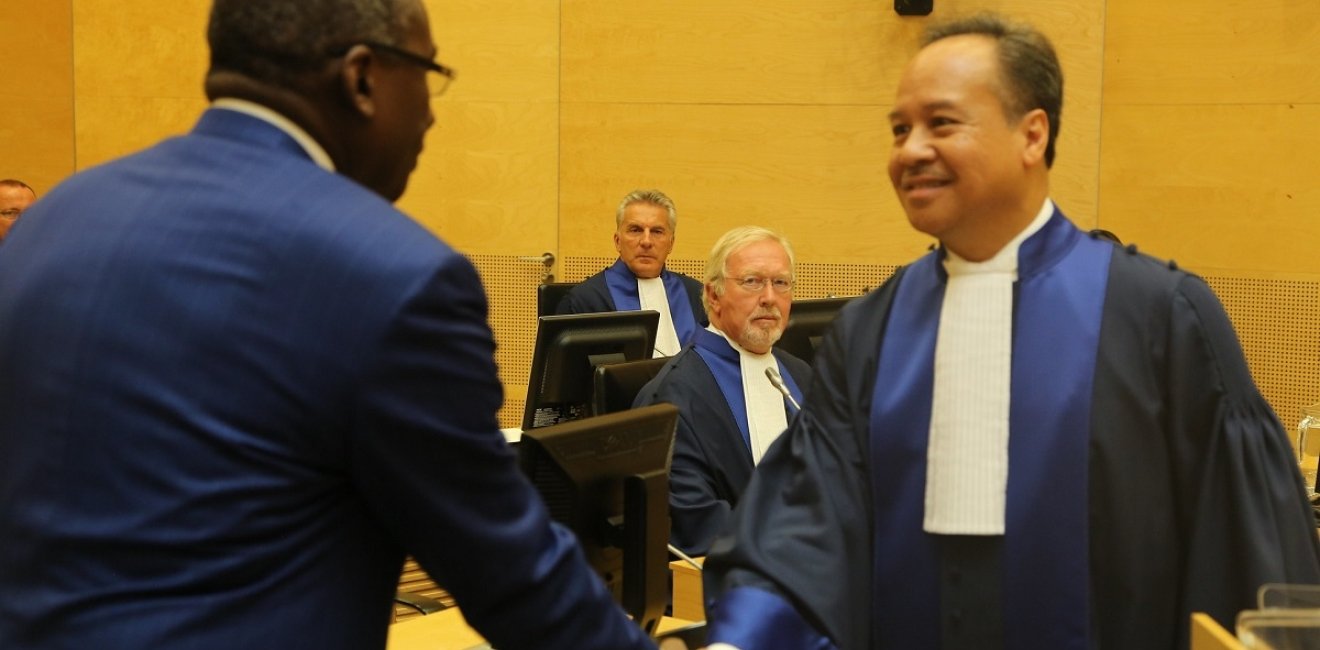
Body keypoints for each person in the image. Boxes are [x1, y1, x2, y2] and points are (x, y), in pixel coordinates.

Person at [0, 2, 653, 649]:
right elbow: (513, 577)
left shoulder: (53, 222)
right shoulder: (397, 276)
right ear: (362, 77)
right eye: (427, 74)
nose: (429, 111)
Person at [700, 13, 1320, 650]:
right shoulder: (868, 334)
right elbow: (802, 531)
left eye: (941, 123)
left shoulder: (1160, 317)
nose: (910, 150)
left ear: (1032, 134)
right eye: (899, 129)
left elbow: (1249, 570)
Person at [634, 226, 811, 557]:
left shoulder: (801, 376)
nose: (770, 298)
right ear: (713, 296)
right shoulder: (671, 397)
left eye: (781, 283)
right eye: (752, 282)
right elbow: (696, 523)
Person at [556, 189, 707, 357]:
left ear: (671, 243)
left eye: (657, 231)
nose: (646, 241)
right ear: (618, 241)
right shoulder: (585, 301)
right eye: (635, 230)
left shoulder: (696, 295)